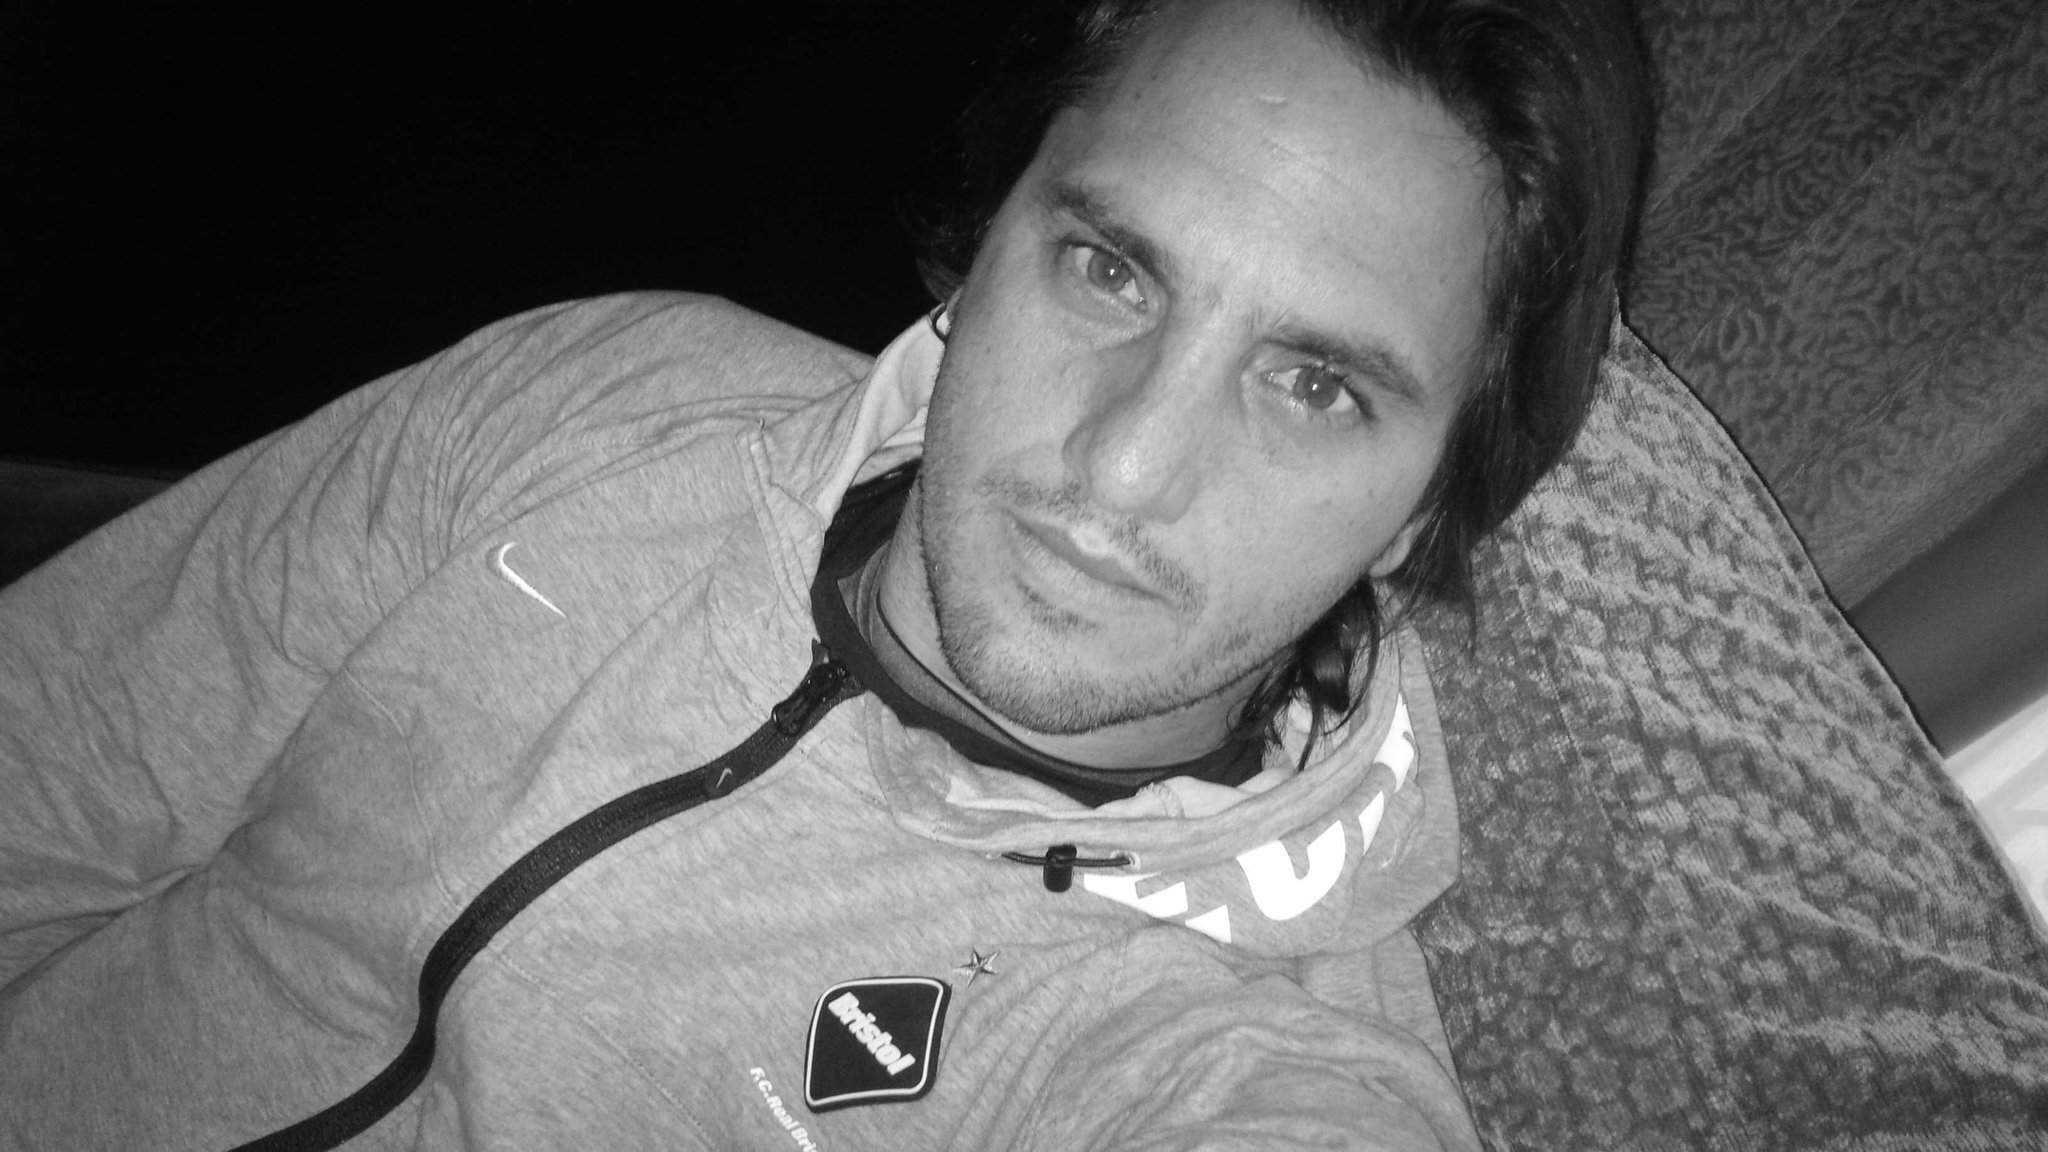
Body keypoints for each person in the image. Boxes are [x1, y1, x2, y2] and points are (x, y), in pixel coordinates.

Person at [0, 0, 1650, 1147]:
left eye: (1315, 387)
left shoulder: (1228, 1052)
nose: (1124, 468)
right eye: (1109, 269)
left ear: (1425, 513)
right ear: (985, 247)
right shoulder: (603, 400)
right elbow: (44, 771)